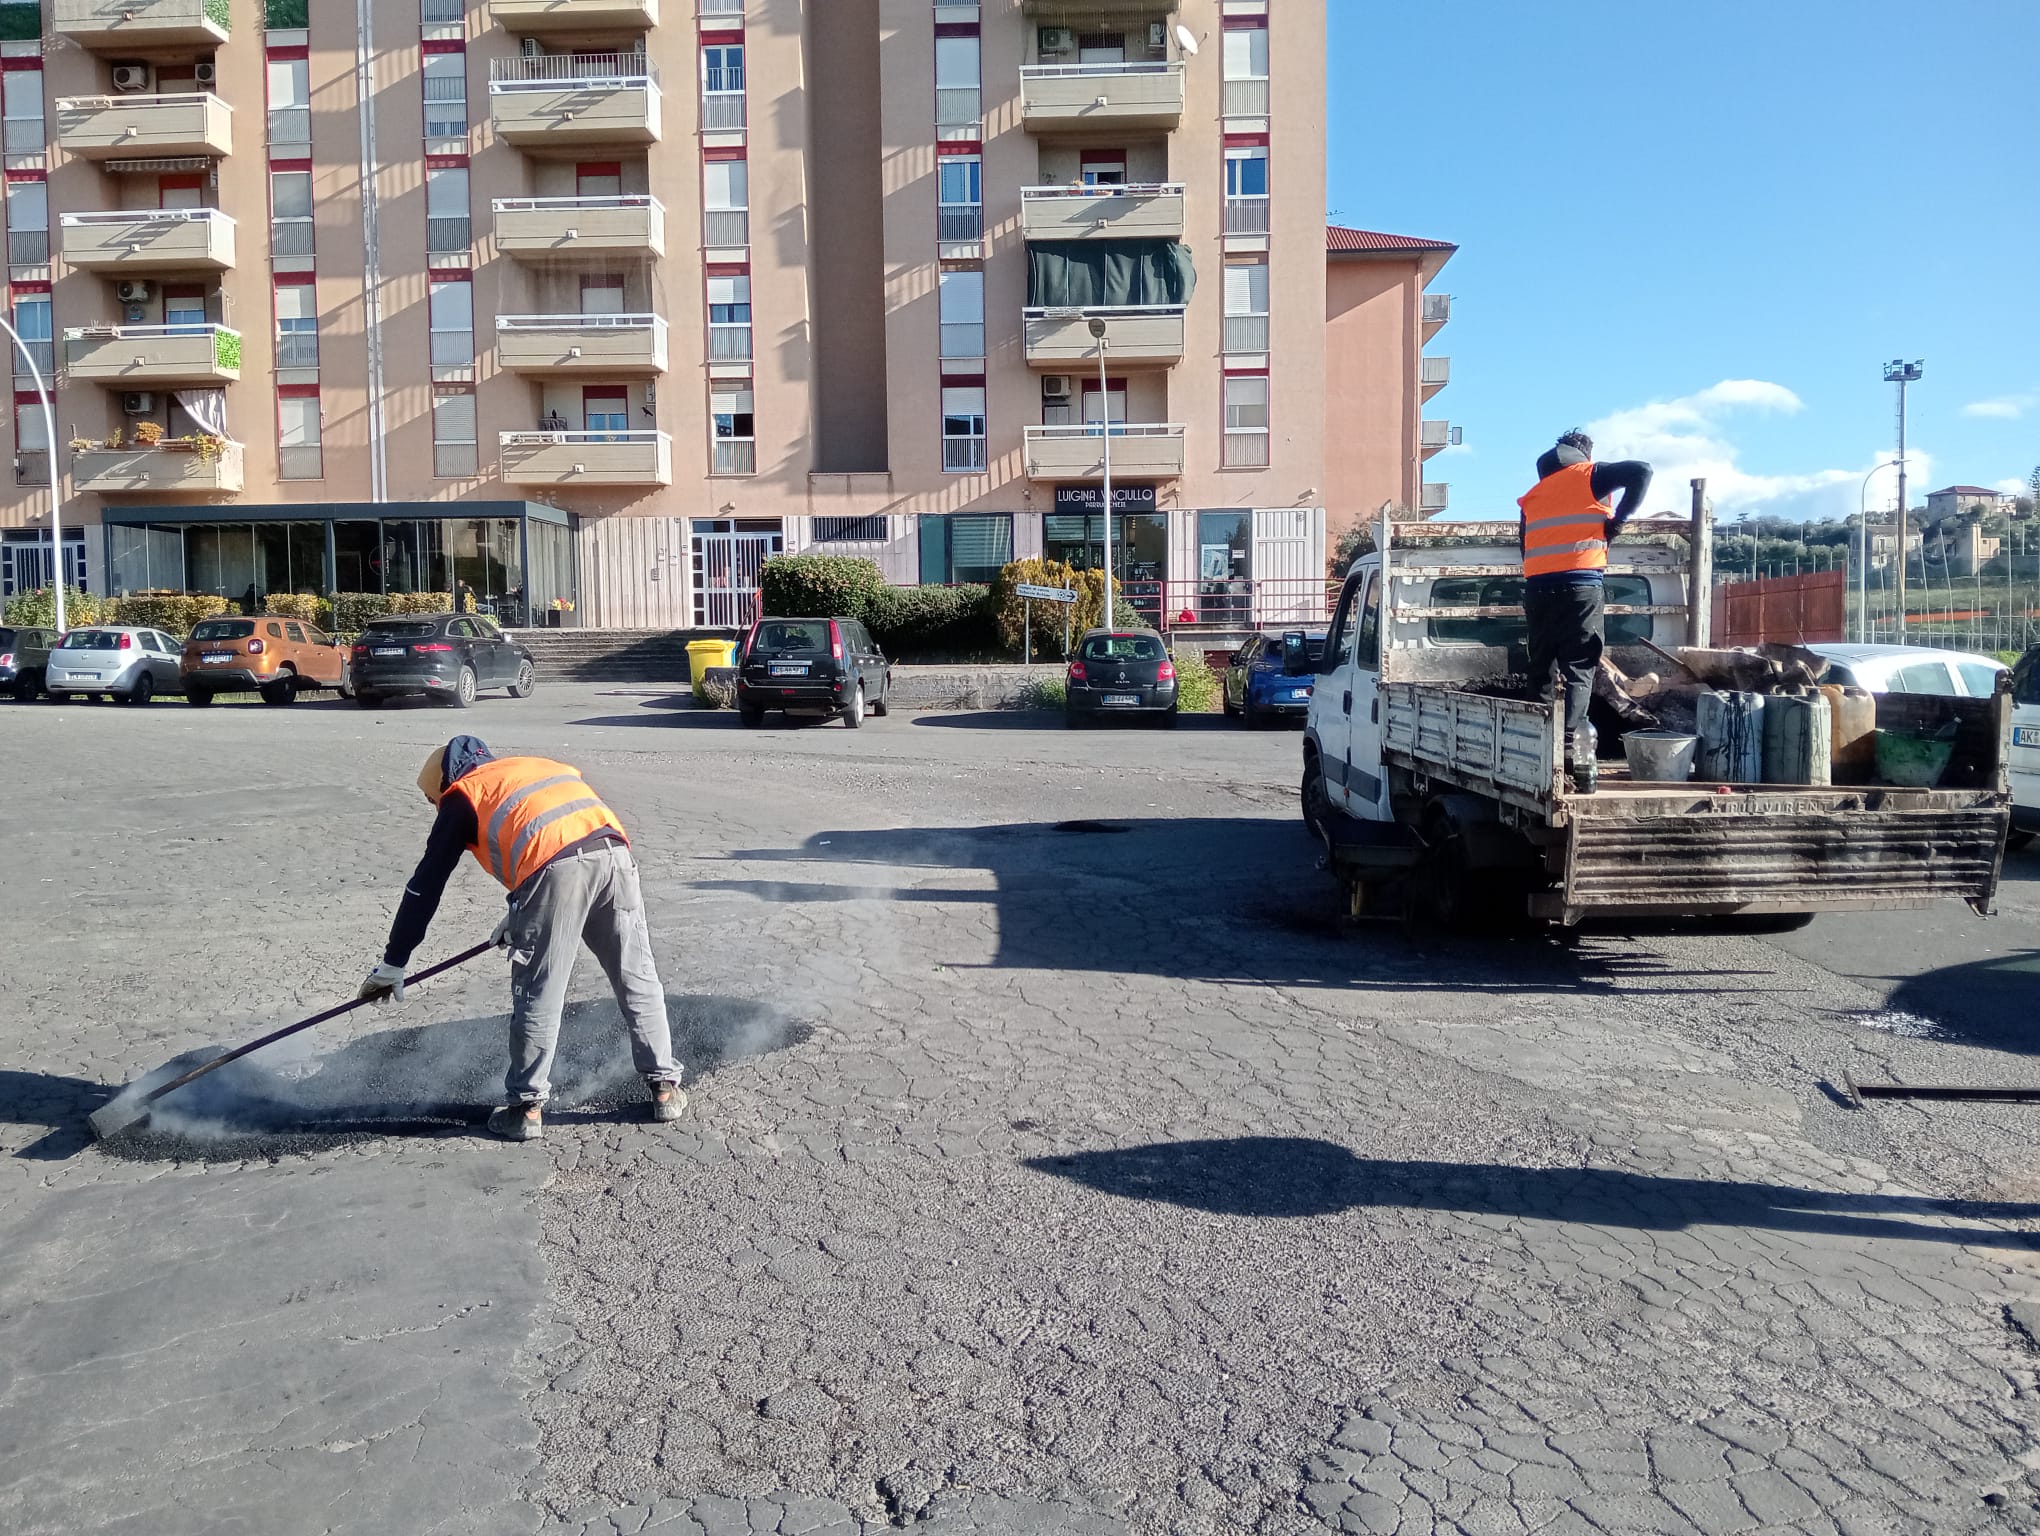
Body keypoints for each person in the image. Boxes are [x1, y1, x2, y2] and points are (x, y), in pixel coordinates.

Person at [359, 735, 686, 1141]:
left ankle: (526, 1109)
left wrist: (394, 961)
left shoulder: (462, 795)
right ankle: (665, 1089)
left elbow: (425, 886)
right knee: (636, 976)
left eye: (433, 800)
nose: (436, 809)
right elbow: (547, 830)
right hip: (614, 857)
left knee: (539, 991)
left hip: (558, 873)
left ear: (444, 785)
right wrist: (518, 913)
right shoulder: (530, 769)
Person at [1516, 430, 1652, 791]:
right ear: (1583, 456)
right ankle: (1568, 753)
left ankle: (1538, 747)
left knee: (1542, 666)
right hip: (1580, 586)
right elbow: (1642, 471)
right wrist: (1618, 523)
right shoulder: (1589, 476)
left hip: (1538, 589)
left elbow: (1524, 546)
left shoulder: (1533, 495)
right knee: (1578, 668)